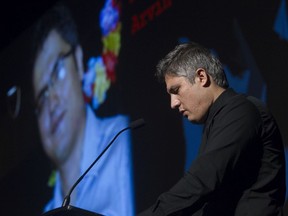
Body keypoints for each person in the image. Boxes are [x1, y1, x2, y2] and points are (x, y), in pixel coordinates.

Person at [138, 42, 286, 216]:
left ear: (202, 77)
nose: (173, 103)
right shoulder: (219, 120)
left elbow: (202, 181)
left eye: (176, 90)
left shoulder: (241, 110)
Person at [31, 4, 134, 216]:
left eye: (56, 73)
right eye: (41, 97)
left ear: (78, 61)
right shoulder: (48, 212)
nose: (52, 101)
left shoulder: (125, 140)